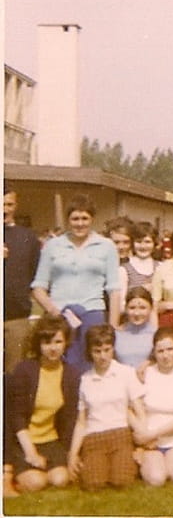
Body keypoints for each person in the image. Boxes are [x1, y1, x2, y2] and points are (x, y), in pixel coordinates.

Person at [31, 193, 121, 372]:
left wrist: (112, 328)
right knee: (61, 367)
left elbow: (114, 290)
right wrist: (54, 311)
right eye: (75, 219)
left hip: (92, 314)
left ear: (92, 219)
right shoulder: (53, 245)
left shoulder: (107, 246)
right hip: (59, 316)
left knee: (93, 366)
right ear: (68, 220)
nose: (80, 223)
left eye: (84, 218)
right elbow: (38, 287)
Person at [5, 314, 80, 494]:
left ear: (66, 343)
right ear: (39, 344)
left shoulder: (71, 374)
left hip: (50, 440)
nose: (53, 348)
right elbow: (17, 417)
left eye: (58, 342)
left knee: (60, 479)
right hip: (25, 440)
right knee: (36, 482)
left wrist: (70, 454)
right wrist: (31, 453)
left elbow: (70, 419)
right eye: (47, 343)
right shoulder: (25, 370)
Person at [67, 324, 145, 490]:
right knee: (93, 483)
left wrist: (142, 446)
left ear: (113, 348)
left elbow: (140, 412)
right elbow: (81, 422)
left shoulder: (126, 373)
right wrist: (73, 454)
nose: (103, 356)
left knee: (122, 481)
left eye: (107, 350)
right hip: (94, 437)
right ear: (90, 352)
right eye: (97, 351)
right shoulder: (85, 380)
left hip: (120, 435)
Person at [135, 326, 173, 486]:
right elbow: (134, 408)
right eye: (160, 351)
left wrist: (152, 434)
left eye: (170, 349)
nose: (165, 355)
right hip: (149, 444)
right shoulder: (146, 373)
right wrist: (144, 440)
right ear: (154, 353)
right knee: (156, 479)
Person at [3, 185, 41, 373]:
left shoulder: (28, 237)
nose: (4, 210)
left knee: (15, 374)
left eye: (9, 204)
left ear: (16, 206)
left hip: (16, 319)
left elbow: (36, 279)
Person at [118, 221, 160, 311]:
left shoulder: (160, 267)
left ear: (154, 243)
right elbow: (121, 305)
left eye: (147, 242)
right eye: (139, 242)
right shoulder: (124, 269)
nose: (143, 246)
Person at [114, 286, 157, 368]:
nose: (137, 313)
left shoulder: (157, 335)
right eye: (132, 308)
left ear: (151, 308)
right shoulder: (116, 334)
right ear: (125, 308)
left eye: (142, 308)